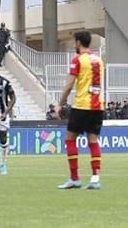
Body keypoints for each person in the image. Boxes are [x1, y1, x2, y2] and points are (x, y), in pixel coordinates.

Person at [54, 30, 104, 190]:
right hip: (98, 107)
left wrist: (60, 104)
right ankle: (95, 179)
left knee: (70, 139)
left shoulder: (78, 60)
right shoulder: (99, 60)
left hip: (82, 106)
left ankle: (74, 178)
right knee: (93, 141)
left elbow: (69, 85)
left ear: (78, 42)